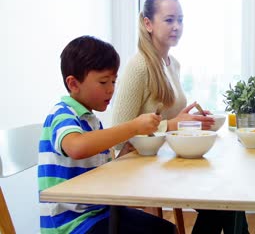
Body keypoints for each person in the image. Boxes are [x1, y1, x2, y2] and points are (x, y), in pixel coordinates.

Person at [111, 0, 249, 234]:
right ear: (148, 23)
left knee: (229, 196)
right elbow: (118, 133)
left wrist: (190, 120)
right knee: (224, 201)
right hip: (143, 168)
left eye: (180, 20)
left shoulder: (171, 63)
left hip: (168, 161)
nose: (177, 26)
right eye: (169, 20)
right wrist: (174, 124)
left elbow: (166, 117)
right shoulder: (139, 66)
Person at [38, 36, 176, 234]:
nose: (111, 89)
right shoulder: (62, 114)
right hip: (72, 224)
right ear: (73, 84)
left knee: (166, 230)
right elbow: (77, 147)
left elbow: (100, 172)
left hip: (99, 212)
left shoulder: (92, 121)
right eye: (103, 82)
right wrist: (133, 127)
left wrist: (123, 155)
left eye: (113, 81)